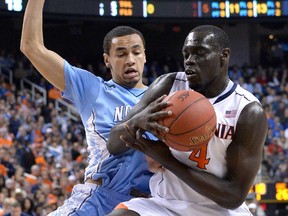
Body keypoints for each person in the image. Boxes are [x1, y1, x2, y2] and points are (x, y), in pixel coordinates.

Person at [107, 25, 268, 215]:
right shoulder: (169, 85)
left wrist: (166, 159)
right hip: (165, 204)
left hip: (219, 210)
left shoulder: (248, 111)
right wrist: (136, 122)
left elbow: (233, 196)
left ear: (223, 55)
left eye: (200, 53)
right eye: (186, 54)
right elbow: (113, 145)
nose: (190, 61)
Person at [20, 0, 152, 215]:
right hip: (99, 199)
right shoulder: (93, 89)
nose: (130, 60)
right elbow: (31, 46)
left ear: (144, 55)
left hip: (147, 206)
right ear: (107, 60)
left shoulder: (166, 98)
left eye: (136, 52)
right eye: (121, 53)